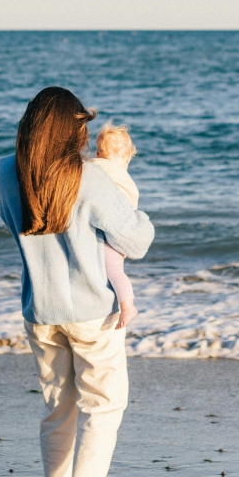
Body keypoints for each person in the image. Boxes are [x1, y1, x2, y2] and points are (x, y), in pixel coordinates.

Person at [0, 87, 154, 477]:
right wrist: (126, 190)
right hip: (91, 313)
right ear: (73, 129)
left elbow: (12, 221)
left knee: (57, 410)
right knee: (103, 408)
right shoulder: (91, 178)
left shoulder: (5, 170)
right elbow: (136, 242)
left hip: (40, 310)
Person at [91, 123, 140, 329]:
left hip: (106, 231)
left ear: (98, 154)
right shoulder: (123, 178)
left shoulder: (93, 168)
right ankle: (125, 305)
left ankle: (127, 306)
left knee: (111, 268)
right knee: (114, 268)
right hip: (116, 230)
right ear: (128, 157)